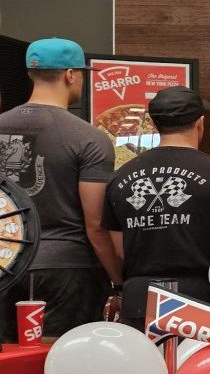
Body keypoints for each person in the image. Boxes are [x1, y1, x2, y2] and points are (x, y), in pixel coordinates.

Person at [0, 38, 120, 341]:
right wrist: (119, 280)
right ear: (71, 74)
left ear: (30, 74)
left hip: (4, 261)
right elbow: (96, 225)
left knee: (8, 364)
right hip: (66, 268)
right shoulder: (88, 139)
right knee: (59, 362)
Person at [103, 86, 210, 330]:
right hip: (204, 296)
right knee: (196, 367)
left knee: (145, 366)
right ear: (200, 123)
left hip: (140, 297)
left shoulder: (120, 178)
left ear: (155, 125)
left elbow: (119, 247)